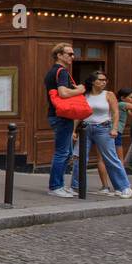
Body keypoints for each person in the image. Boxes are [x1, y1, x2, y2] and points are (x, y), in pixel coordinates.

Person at [76, 71, 132, 198]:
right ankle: (76, 186)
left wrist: (114, 129)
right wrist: (73, 131)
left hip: (103, 128)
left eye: (105, 80)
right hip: (86, 128)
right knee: (79, 158)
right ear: (93, 81)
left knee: (110, 158)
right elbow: (79, 114)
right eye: (101, 80)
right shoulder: (85, 95)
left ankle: (124, 187)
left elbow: (115, 113)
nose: (104, 82)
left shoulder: (108, 94)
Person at [45, 42, 85, 198]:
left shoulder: (53, 72)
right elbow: (62, 93)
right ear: (59, 55)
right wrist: (80, 90)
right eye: (69, 54)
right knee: (62, 153)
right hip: (61, 116)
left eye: (73, 54)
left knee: (66, 152)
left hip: (58, 115)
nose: (72, 57)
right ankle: (56, 186)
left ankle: (59, 184)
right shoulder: (61, 72)